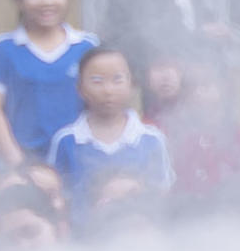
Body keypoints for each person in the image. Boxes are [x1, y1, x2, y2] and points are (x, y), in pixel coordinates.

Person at [0, 0, 97, 170]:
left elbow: (103, 102)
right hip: (20, 165)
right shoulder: (4, 48)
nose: (47, 0)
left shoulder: (87, 46)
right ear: (19, 0)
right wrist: (16, 161)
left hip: (78, 164)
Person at [45, 45, 171, 203]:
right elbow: (56, 196)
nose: (108, 90)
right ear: (80, 89)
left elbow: (162, 192)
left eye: (117, 79)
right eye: (97, 81)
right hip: (83, 227)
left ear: (132, 85)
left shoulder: (151, 139)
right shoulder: (66, 140)